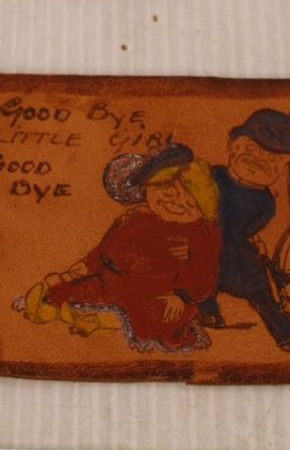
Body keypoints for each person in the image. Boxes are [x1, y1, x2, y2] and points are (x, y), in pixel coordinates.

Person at [18, 145, 222, 352]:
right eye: (165, 191)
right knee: (61, 292)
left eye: (187, 200)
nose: (175, 202)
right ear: (146, 190)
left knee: (161, 318)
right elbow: (105, 249)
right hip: (108, 284)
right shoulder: (136, 218)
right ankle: (51, 305)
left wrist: (182, 295)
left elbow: (203, 270)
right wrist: (84, 267)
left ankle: (100, 319)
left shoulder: (201, 232)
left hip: (156, 295)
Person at [202, 109, 290, 357]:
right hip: (203, 245)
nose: (258, 159)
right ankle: (205, 309)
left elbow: (248, 229)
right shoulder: (211, 177)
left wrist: (256, 246)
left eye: (272, 158)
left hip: (235, 255)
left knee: (263, 290)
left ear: (283, 166)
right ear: (234, 145)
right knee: (196, 269)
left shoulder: (265, 202)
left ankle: (288, 337)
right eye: (251, 149)